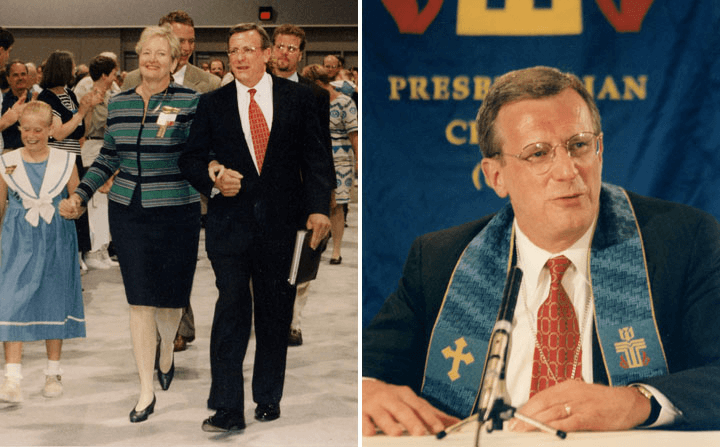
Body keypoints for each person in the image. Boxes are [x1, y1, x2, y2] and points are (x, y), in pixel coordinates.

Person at [362, 66, 720, 436]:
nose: (567, 170)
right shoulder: (441, 260)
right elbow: (369, 369)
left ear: (599, 149)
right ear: (495, 175)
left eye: (579, 145)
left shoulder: (683, 240)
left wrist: (637, 402)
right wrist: (366, 389)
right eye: (538, 154)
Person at [178, 22, 334, 433]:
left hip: (283, 226)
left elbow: (317, 159)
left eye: (248, 49)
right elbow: (191, 159)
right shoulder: (212, 104)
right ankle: (228, 406)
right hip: (230, 226)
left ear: (266, 53)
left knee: (274, 312)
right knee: (231, 308)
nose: (240, 57)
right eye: (233, 51)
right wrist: (213, 176)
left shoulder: (300, 99)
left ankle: (268, 395)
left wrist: (319, 208)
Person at [60, 25, 201, 423]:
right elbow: (107, 158)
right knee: (140, 300)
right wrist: (80, 196)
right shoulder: (119, 103)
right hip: (130, 210)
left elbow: (198, 154)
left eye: (161, 54)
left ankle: (167, 349)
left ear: (175, 61)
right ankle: (145, 389)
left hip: (177, 210)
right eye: (146, 53)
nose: (152, 59)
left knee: (172, 299)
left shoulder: (191, 102)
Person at [124, 10, 220, 353]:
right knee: (152, 267)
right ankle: (169, 334)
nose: (187, 46)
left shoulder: (206, 83)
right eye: (180, 40)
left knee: (180, 265)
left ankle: (176, 326)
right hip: (145, 195)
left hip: (191, 192)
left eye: (192, 40)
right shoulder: (131, 79)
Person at [0, 101, 86, 403]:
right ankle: (12, 377)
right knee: (10, 302)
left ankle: (53, 371)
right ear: (18, 128)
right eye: (26, 129)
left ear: (51, 129)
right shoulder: (7, 161)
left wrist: (73, 207)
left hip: (55, 239)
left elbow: (78, 198)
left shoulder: (65, 160)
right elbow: (0, 206)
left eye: (38, 129)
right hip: (16, 240)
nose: (32, 135)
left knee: (54, 299)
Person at [270, 24, 333, 347]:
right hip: (263, 194)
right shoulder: (253, 87)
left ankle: (294, 321)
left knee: (303, 258)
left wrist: (322, 198)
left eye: (291, 48)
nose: (284, 52)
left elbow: (320, 149)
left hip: (300, 190)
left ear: (300, 53)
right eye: (280, 46)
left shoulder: (315, 95)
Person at [37, 51, 102, 274]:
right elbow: (59, 133)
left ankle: (81, 251)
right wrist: (81, 111)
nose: (75, 71)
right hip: (57, 157)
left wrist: (89, 108)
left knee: (79, 201)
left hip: (74, 156)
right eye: (72, 67)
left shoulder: (69, 94)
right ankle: (67, 256)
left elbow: (82, 128)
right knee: (64, 204)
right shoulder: (46, 98)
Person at [302, 64, 357, 266]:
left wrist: (359, 162)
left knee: (337, 206)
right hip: (317, 157)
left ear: (317, 83)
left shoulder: (345, 102)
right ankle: (318, 244)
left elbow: (354, 134)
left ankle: (336, 250)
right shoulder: (310, 100)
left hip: (341, 159)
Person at [73, 54, 119, 270]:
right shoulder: (86, 90)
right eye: (112, 73)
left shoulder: (111, 93)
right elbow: (85, 123)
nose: (115, 77)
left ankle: (103, 249)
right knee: (95, 203)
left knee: (105, 204)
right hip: (91, 148)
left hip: (106, 147)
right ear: (104, 74)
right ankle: (92, 250)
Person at [1, 61, 34, 151]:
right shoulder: (2, 102)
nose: (20, 78)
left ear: (27, 76)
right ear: (8, 79)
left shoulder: (37, 100)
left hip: (34, 151)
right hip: (9, 152)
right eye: (15, 75)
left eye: (23, 74)